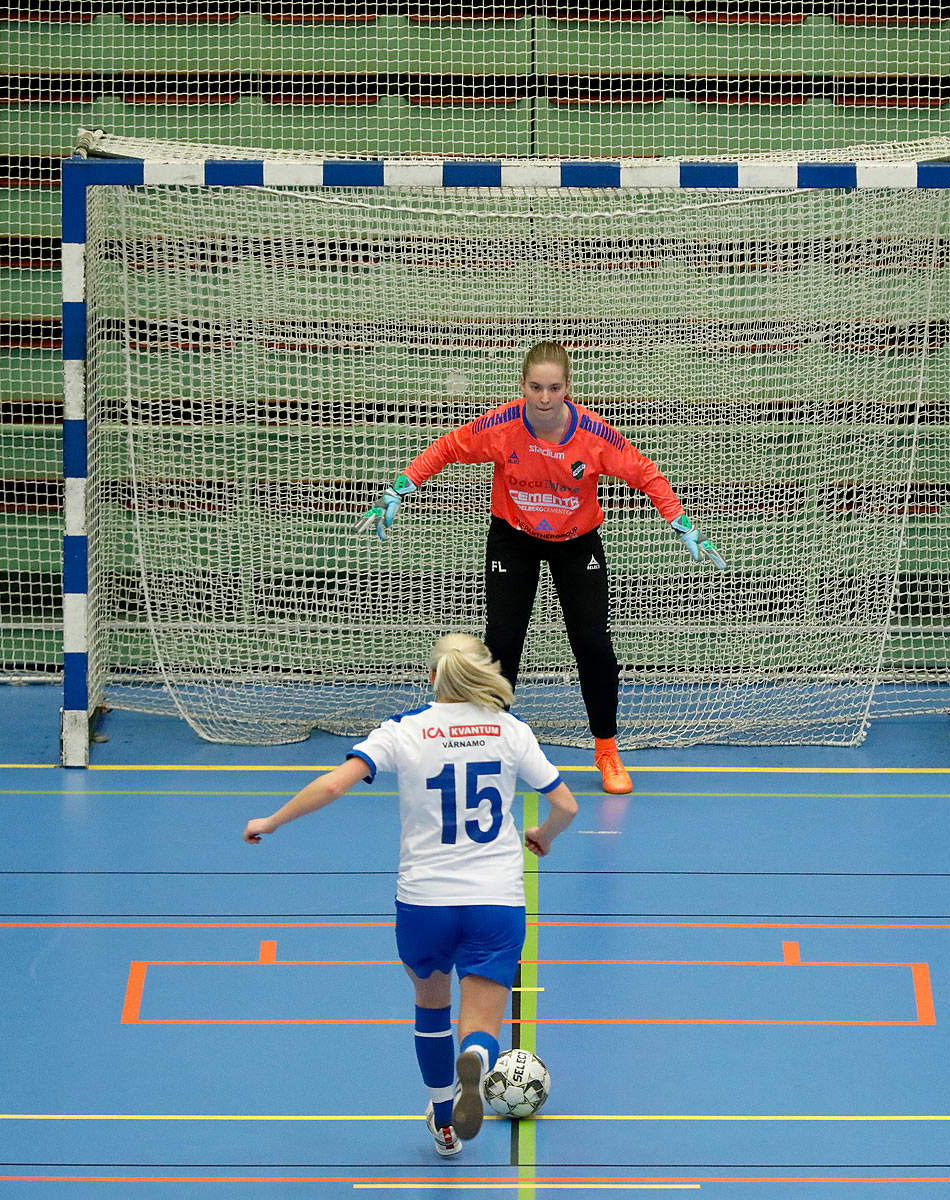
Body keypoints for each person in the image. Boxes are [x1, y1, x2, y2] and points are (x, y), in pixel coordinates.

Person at [243, 633, 578, 1158]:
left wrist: (273, 820)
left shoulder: (404, 731)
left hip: (424, 902)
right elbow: (567, 805)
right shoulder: (511, 731)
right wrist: (545, 835)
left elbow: (333, 785)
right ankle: (476, 1053)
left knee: (429, 1005)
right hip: (496, 900)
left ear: (432, 680)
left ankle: (444, 1121)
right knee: (484, 1019)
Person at [355, 341, 724, 795]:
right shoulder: (501, 426)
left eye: (554, 388)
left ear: (568, 387)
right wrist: (400, 488)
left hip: (576, 543)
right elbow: (447, 447)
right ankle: (493, 744)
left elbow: (645, 473)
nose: (545, 397)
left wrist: (682, 526)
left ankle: (606, 750)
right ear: (523, 386)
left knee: (592, 643)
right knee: (503, 641)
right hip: (514, 539)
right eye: (535, 387)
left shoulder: (594, 435)